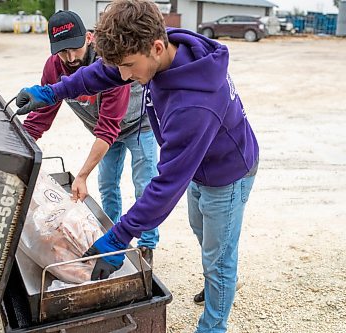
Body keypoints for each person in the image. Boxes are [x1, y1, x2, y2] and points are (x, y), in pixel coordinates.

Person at [15, 1, 259, 332]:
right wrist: (51, 91)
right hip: (199, 165)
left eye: (129, 66)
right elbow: (102, 73)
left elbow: (166, 186)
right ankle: (219, 280)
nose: (126, 77)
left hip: (226, 173)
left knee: (219, 255)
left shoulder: (193, 107)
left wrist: (119, 237)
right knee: (203, 232)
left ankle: (214, 322)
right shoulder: (155, 47)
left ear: (157, 48)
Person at [21, 10, 159, 265]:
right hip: (105, 133)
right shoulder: (54, 67)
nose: (70, 58)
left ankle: (146, 244)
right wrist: (19, 146)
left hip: (139, 126)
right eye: (62, 52)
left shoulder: (111, 63)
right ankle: (109, 236)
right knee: (108, 185)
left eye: (75, 48)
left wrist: (82, 175)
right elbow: (42, 115)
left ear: (88, 37)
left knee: (145, 185)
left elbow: (108, 128)